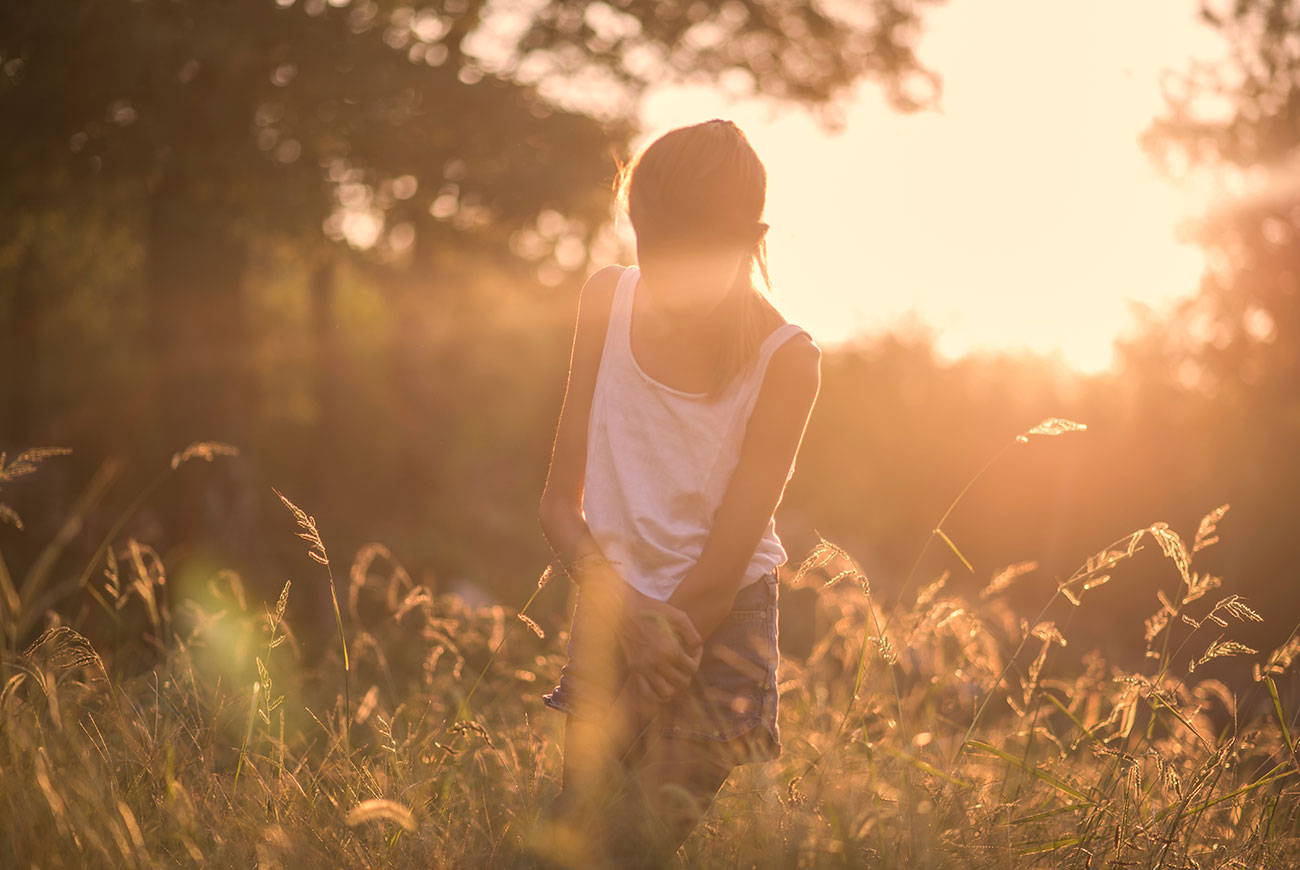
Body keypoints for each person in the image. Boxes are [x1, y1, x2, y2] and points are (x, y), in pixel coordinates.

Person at [523, 119, 821, 869]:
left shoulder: (787, 360)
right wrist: (625, 620)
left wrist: (627, 709)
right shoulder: (604, 301)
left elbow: (719, 576)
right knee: (570, 847)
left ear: (750, 237)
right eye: (654, 249)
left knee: (624, 848)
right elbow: (559, 505)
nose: (669, 275)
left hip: (717, 630)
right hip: (611, 605)